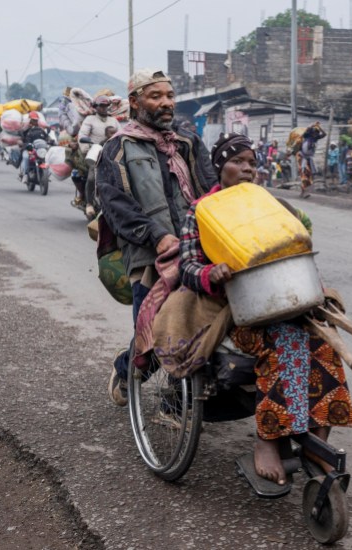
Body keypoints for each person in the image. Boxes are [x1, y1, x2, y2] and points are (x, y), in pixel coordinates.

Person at [177, 132, 352, 484]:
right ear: (219, 167)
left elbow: (299, 253)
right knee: (283, 342)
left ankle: (317, 440)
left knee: (324, 345)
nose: (246, 169)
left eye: (252, 163)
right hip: (235, 313)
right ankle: (268, 440)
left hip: (287, 301)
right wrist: (213, 272)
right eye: (237, 161)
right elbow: (187, 267)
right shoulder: (201, 212)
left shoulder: (271, 205)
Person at [97, 68, 218, 407]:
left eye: (169, 96)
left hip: (196, 247)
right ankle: (125, 370)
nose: (166, 103)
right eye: (156, 96)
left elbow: (209, 186)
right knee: (151, 336)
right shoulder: (118, 146)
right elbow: (114, 202)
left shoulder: (187, 141)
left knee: (207, 321)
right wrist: (157, 236)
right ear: (135, 102)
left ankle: (180, 400)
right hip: (150, 256)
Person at [79, 96, 121, 220]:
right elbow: (83, 135)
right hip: (95, 152)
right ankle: (89, 204)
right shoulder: (90, 119)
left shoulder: (113, 121)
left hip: (113, 153)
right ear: (95, 107)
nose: (103, 108)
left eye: (105, 106)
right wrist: (86, 149)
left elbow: (122, 134)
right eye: (101, 106)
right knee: (92, 176)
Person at [18, 112, 50, 182]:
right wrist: (25, 143)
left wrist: (51, 141)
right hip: (28, 148)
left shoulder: (41, 130)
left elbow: (47, 138)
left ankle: (48, 173)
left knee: (48, 156)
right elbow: (21, 137)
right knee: (26, 157)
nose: (34, 121)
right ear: (29, 120)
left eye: (36, 120)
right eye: (33, 120)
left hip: (39, 149)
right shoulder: (25, 129)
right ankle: (25, 174)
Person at [297, 121, 326, 198]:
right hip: (302, 157)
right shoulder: (306, 136)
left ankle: (303, 192)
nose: (316, 134)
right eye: (315, 132)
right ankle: (304, 192)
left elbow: (324, 134)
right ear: (312, 132)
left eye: (317, 133)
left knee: (308, 176)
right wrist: (313, 125)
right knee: (304, 175)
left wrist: (319, 127)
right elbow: (306, 130)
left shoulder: (315, 139)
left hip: (309, 159)